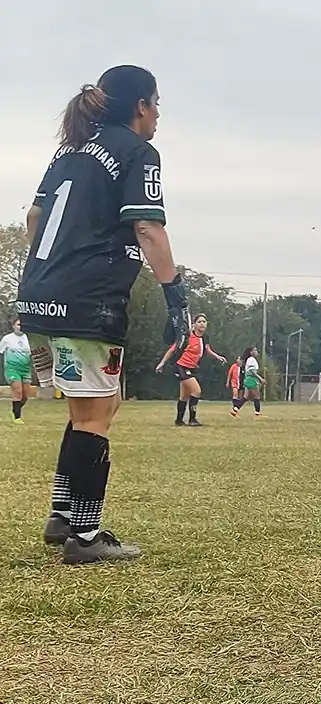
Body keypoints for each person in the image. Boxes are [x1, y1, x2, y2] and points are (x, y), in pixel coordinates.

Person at [17, 65, 189, 564]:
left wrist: (55, 270)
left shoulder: (69, 149)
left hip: (38, 295)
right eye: (156, 103)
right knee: (97, 412)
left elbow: (34, 217)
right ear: (140, 105)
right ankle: (85, 537)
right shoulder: (138, 151)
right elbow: (148, 228)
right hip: (87, 299)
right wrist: (175, 297)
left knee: (91, 405)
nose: (158, 114)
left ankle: (62, 515)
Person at [155, 313, 226, 426]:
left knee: (184, 396)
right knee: (196, 391)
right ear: (194, 325)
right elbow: (172, 350)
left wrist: (218, 357)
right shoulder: (186, 337)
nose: (202, 324)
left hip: (192, 368)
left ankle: (179, 420)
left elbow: (207, 350)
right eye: (199, 322)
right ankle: (192, 419)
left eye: (204, 322)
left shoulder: (205, 338)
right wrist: (162, 363)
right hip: (181, 367)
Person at [1, 318, 35, 424]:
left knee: (25, 396)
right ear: (14, 326)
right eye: (18, 324)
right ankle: (17, 417)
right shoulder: (7, 339)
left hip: (25, 370)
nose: (20, 327)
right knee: (17, 391)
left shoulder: (29, 339)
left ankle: (15, 409)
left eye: (22, 325)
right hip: (12, 369)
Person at [239, 346, 265, 416]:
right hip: (251, 379)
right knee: (257, 396)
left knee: (246, 396)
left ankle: (235, 408)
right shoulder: (251, 359)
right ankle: (257, 412)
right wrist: (260, 378)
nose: (256, 352)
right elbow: (253, 371)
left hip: (248, 379)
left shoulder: (250, 359)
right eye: (255, 350)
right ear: (251, 352)